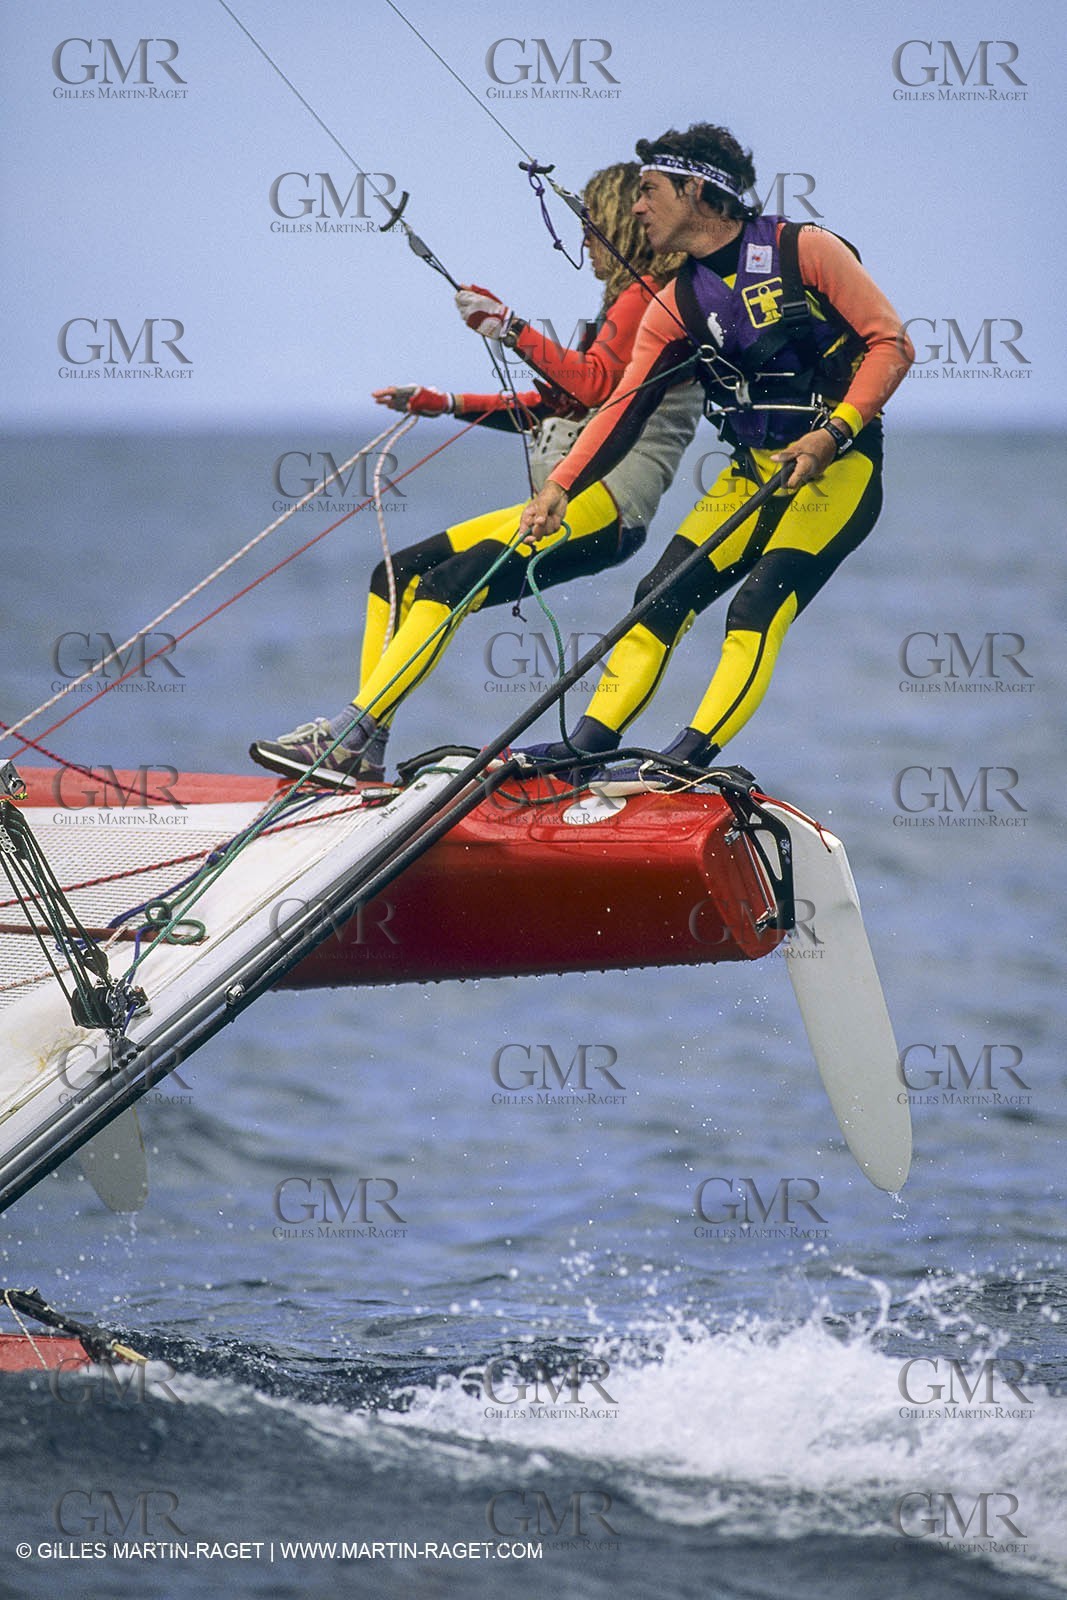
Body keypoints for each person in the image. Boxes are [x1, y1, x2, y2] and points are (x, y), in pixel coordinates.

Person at [249, 162, 701, 787]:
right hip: (569, 507)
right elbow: (561, 403)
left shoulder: (651, 302)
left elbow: (591, 383)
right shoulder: (623, 309)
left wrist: (509, 326)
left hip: (604, 511)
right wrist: (444, 403)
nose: (582, 243)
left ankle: (348, 737)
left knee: (446, 587)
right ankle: (365, 745)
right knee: (395, 575)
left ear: (624, 227)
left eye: (592, 229)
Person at [517, 123, 914, 776]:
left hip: (838, 470)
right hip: (753, 471)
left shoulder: (803, 250)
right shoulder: (673, 304)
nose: (637, 207)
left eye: (648, 191)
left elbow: (890, 344)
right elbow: (620, 411)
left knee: (754, 608)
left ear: (694, 190)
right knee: (656, 596)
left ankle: (684, 760)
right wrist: (559, 488)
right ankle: (586, 748)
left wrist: (832, 432)